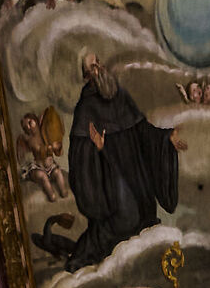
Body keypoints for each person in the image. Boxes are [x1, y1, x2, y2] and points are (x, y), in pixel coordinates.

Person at [35, 54, 182, 272]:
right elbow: (79, 156)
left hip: (133, 172)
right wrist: (98, 148)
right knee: (125, 216)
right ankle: (88, 252)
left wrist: (165, 137)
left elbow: (141, 129)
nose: (99, 67)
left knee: (142, 213)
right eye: (93, 66)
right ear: (87, 76)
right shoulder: (86, 107)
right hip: (108, 177)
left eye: (98, 62)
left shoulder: (120, 95)